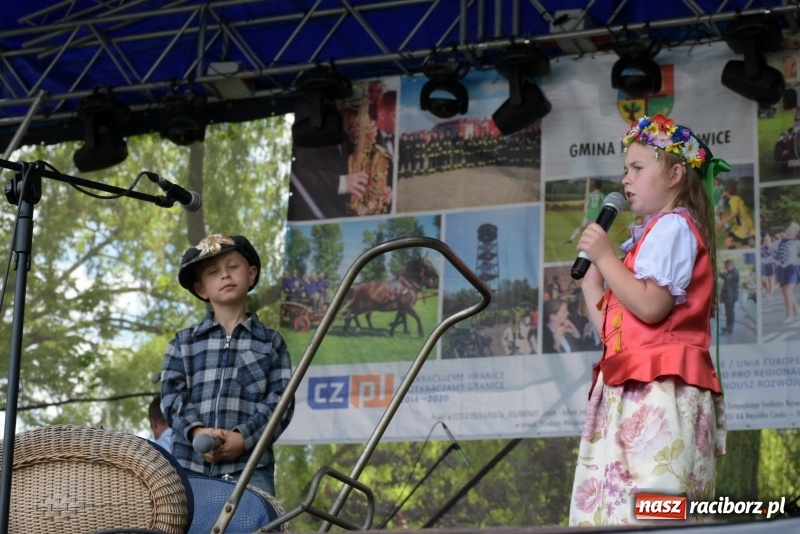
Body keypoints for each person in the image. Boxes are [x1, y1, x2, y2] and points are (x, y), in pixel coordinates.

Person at [569, 114, 728, 525]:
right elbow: (619, 330)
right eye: (625, 170)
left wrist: (605, 255)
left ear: (675, 174)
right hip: (633, 388)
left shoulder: (673, 226)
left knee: (655, 508)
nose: (626, 180)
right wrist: (593, 285)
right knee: (622, 510)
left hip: (659, 392)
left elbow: (653, 307)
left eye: (638, 168)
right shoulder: (651, 235)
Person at [161, 234, 295, 496]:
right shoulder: (183, 343)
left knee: (255, 525)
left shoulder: (270, 343)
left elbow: (281, 402)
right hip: (189, 468)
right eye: (213, 272)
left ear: (251, 274)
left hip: (251, 469)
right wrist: (197, 432)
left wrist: (243, 438)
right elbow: (171, 397)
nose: (225, 275)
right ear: (201, 289)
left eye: (233, 267)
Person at [717, 181, 755, 249]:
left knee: (728, 241)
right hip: (748, 225)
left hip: (742, 227)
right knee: (745, 246)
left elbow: (734, 214)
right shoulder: (739, 199)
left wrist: (723, 222)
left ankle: (732, 254)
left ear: (727, 192)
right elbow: (747, 210)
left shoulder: (733, 200)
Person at [566, 179, 604, 243]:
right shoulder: (601, 195)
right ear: (601, 187)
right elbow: (604, 205)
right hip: (596, 215)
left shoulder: (590, 195)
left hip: (588, 215)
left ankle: (571, 238)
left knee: (582, 227)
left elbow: (586, 205)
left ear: (594, 186)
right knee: (596, 230)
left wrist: (587, 212)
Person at [776, 221, 800, 324]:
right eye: (789, 228)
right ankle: (798, 311)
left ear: (795, 232)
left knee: (788, 291)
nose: (789, 230)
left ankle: (789, 315)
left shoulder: (797, 242)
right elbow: (774, 253)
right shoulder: (781, 241)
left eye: (792, 229)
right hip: (782, 268)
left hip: (792, 268)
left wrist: (798, 261)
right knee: (785, 292)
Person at [718, 259, 740, 335]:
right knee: (728, 313)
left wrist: (719, 273)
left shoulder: (734, 272)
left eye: (726, 266)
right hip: (728, 296)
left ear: (730, 265)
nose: (725, 267)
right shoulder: (731, 272)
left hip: (731, 296)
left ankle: (730, 328)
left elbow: (727, 277)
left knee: (730, 313)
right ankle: (728, 327)